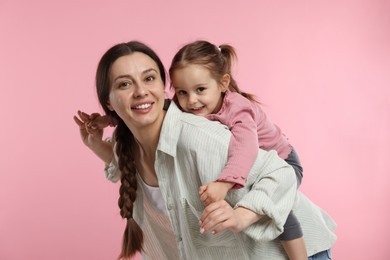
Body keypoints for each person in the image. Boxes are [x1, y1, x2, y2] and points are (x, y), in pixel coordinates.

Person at [74, 41, 336, 259]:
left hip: (297, 251)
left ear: (160, 86)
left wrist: (241, 213)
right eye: (124, 84)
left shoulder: (199, 136)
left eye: (149, 78)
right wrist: (96, 144)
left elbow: (282, 174)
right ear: (108, 100)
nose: (141, 91)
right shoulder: (127, 143)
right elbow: (123, 164)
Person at [168, 40, 306, 259]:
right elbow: (156, 112)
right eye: (182, 92)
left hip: (283, 161)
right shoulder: (185, 105)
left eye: (200, 90)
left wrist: (224, 183)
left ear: (223, 84)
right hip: (249, 167)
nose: (191, 100)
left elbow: (245, 148)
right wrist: (110, 120)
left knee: (276, 207)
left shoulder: (238, 108)